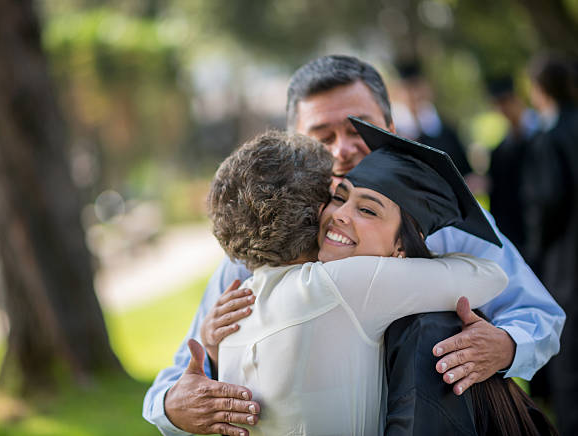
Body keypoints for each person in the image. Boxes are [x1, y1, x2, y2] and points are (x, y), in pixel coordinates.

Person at [143, 55, 565, 436]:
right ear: (297, 145)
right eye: (322, 136)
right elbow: (183, 372)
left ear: (392, 128)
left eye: (359, 127)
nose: (342, 150)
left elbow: (539, 312)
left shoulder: (454, 229)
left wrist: (506, 345)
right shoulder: (262, 249)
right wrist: (172, 406)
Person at [209, 126, 507, 435]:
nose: (339, 214)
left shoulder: (232, 317)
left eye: (366, 209)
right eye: (338, 197)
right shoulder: (339, 285)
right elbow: (490, 276)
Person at [523, 53, 578, 436]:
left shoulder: (549, 137)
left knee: (570, 357)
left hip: (567, 260)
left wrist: (534, 248)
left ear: (540, 90)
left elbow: (548, 201)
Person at [486, 76, 539, 256]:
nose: (504, 109)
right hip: (517, 232)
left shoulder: (544, 137)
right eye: (498, 104)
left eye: (506, 102)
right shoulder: (501, 150)